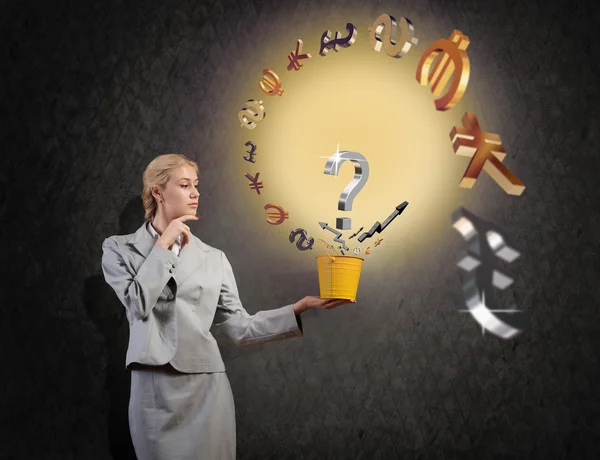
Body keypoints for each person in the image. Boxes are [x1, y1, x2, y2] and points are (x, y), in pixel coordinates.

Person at [101, 153, 354, 460]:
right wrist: (162, 246)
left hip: (208, 388)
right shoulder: (118, 249)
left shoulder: (214, 258)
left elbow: (240, 328)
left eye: (196, 185)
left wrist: (298, 309)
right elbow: (137, 304)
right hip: (154, 390)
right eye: (184, 185)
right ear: (158, 191)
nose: (195, 193)